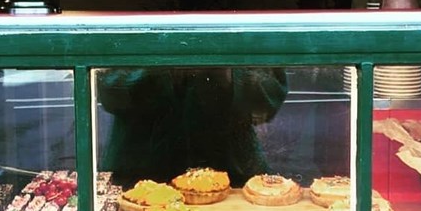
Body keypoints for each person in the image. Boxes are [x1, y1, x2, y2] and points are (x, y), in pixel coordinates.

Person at [96, 67, 288, 187]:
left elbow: (269, 97)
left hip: (235, 181)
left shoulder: (246, 13)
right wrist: (164, 70)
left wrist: (227, 72)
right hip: (137, 179)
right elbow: (107, 89)